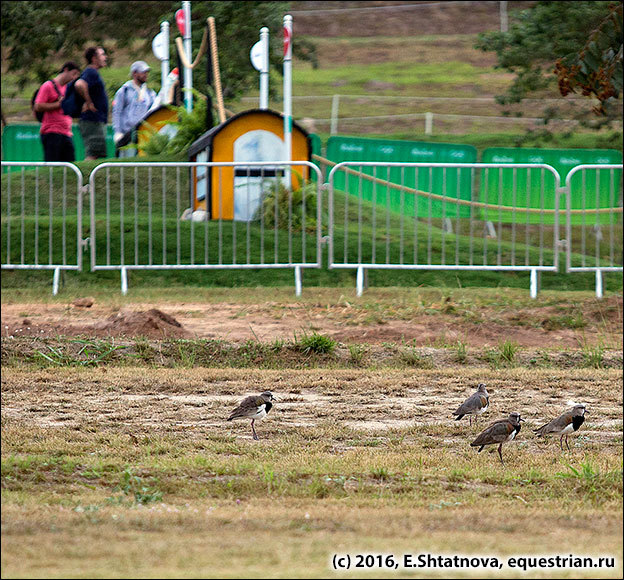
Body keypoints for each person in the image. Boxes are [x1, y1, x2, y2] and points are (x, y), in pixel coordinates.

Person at [33, 62, 80, 162]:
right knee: (52, 165)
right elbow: (38, 106)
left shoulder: (68, 88)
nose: (74, 77)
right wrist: (58, 105)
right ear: (66, 70)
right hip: (52, 131)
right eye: (73, 73)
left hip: (67, 132)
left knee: (69, 166)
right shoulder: (48, 86)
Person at [112, 60, 157, 157]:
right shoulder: (124, 91)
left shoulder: (150, 93)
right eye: (143, 72)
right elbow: (117, 112)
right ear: (134, 73)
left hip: (144, 135)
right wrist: (118, 132)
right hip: (127, 135)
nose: (145, 74)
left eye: (146, 72)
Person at [75, 46, 108, 160]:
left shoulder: (93, 73)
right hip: (92, 120)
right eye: (102, 55)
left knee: (97, 153)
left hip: (96, 120)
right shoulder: (91, 72)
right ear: (94, 59)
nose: (105, 57)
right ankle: (85, 177)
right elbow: (79, 84)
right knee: (92, 154)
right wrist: (88, 101)